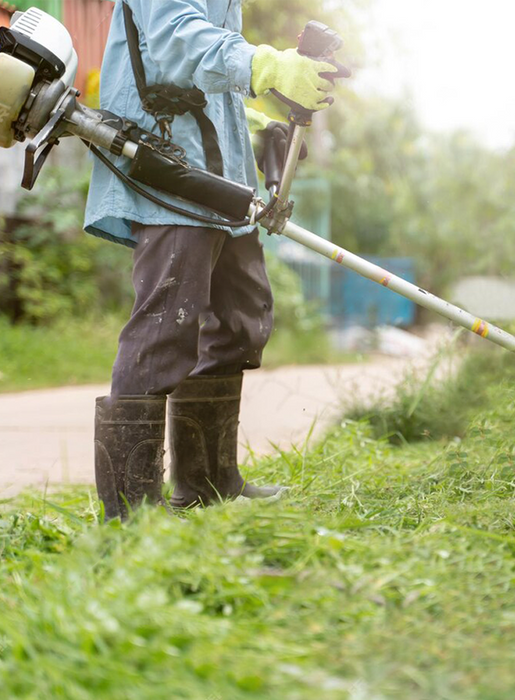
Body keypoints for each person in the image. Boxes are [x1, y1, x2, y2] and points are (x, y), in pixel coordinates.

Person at [85, 0, 339, 520]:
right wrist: (267, 66)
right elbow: (178, 41)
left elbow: (200, 75)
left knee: (239, 318)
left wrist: (251, 119)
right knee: (165, 327)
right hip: (169, 166)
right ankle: (132, 514)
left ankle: (208, 483)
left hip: (222, 177)